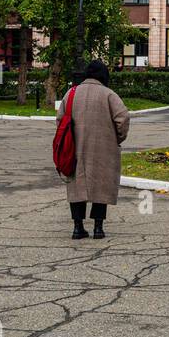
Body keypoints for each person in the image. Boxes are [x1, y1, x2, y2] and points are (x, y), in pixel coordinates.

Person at [57, 60, 130, 240]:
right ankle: (98, 228)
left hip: (75, 148)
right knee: (101, 186)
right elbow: (123, 119)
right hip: (103, 148)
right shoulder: (109, 95)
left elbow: (60, 120)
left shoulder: (71, 93)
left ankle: (77, 228)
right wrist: (117, 138)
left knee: (76, 186)